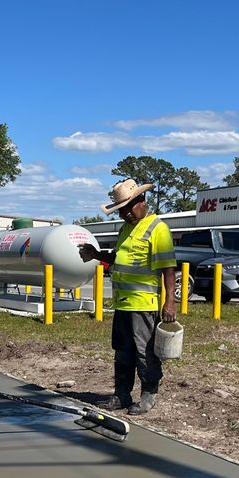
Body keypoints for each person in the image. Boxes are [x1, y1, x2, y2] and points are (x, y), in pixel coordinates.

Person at [78, 178, 177, 416]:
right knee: (122, 351)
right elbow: (119, 258)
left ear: (142, 201)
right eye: (120, 210)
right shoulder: (126, 229)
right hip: (123, 304)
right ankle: (122, 394)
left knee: (145, 352)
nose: (125, 214)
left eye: (128, 208)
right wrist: (96, 254)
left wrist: (170, 301)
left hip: (143, 305)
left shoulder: (157, 229)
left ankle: (148, 395)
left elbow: (168, 268)